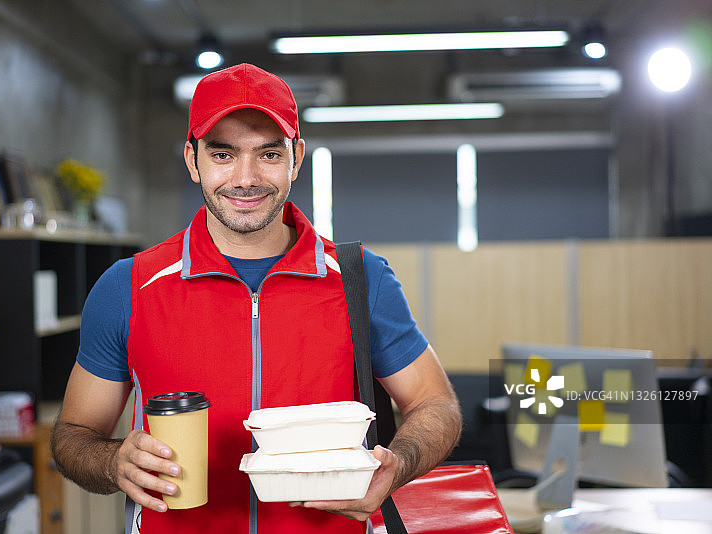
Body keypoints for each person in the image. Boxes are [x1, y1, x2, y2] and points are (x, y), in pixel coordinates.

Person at [51, 63, 462, 534]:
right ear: (192, 160)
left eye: (268, 153)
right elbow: (73, 435)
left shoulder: (360, 278)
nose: (245, 178)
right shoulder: (128, 287)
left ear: (297, 156)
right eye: (223, 155)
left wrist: (397, 465)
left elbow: (436, 404)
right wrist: (114, 462)